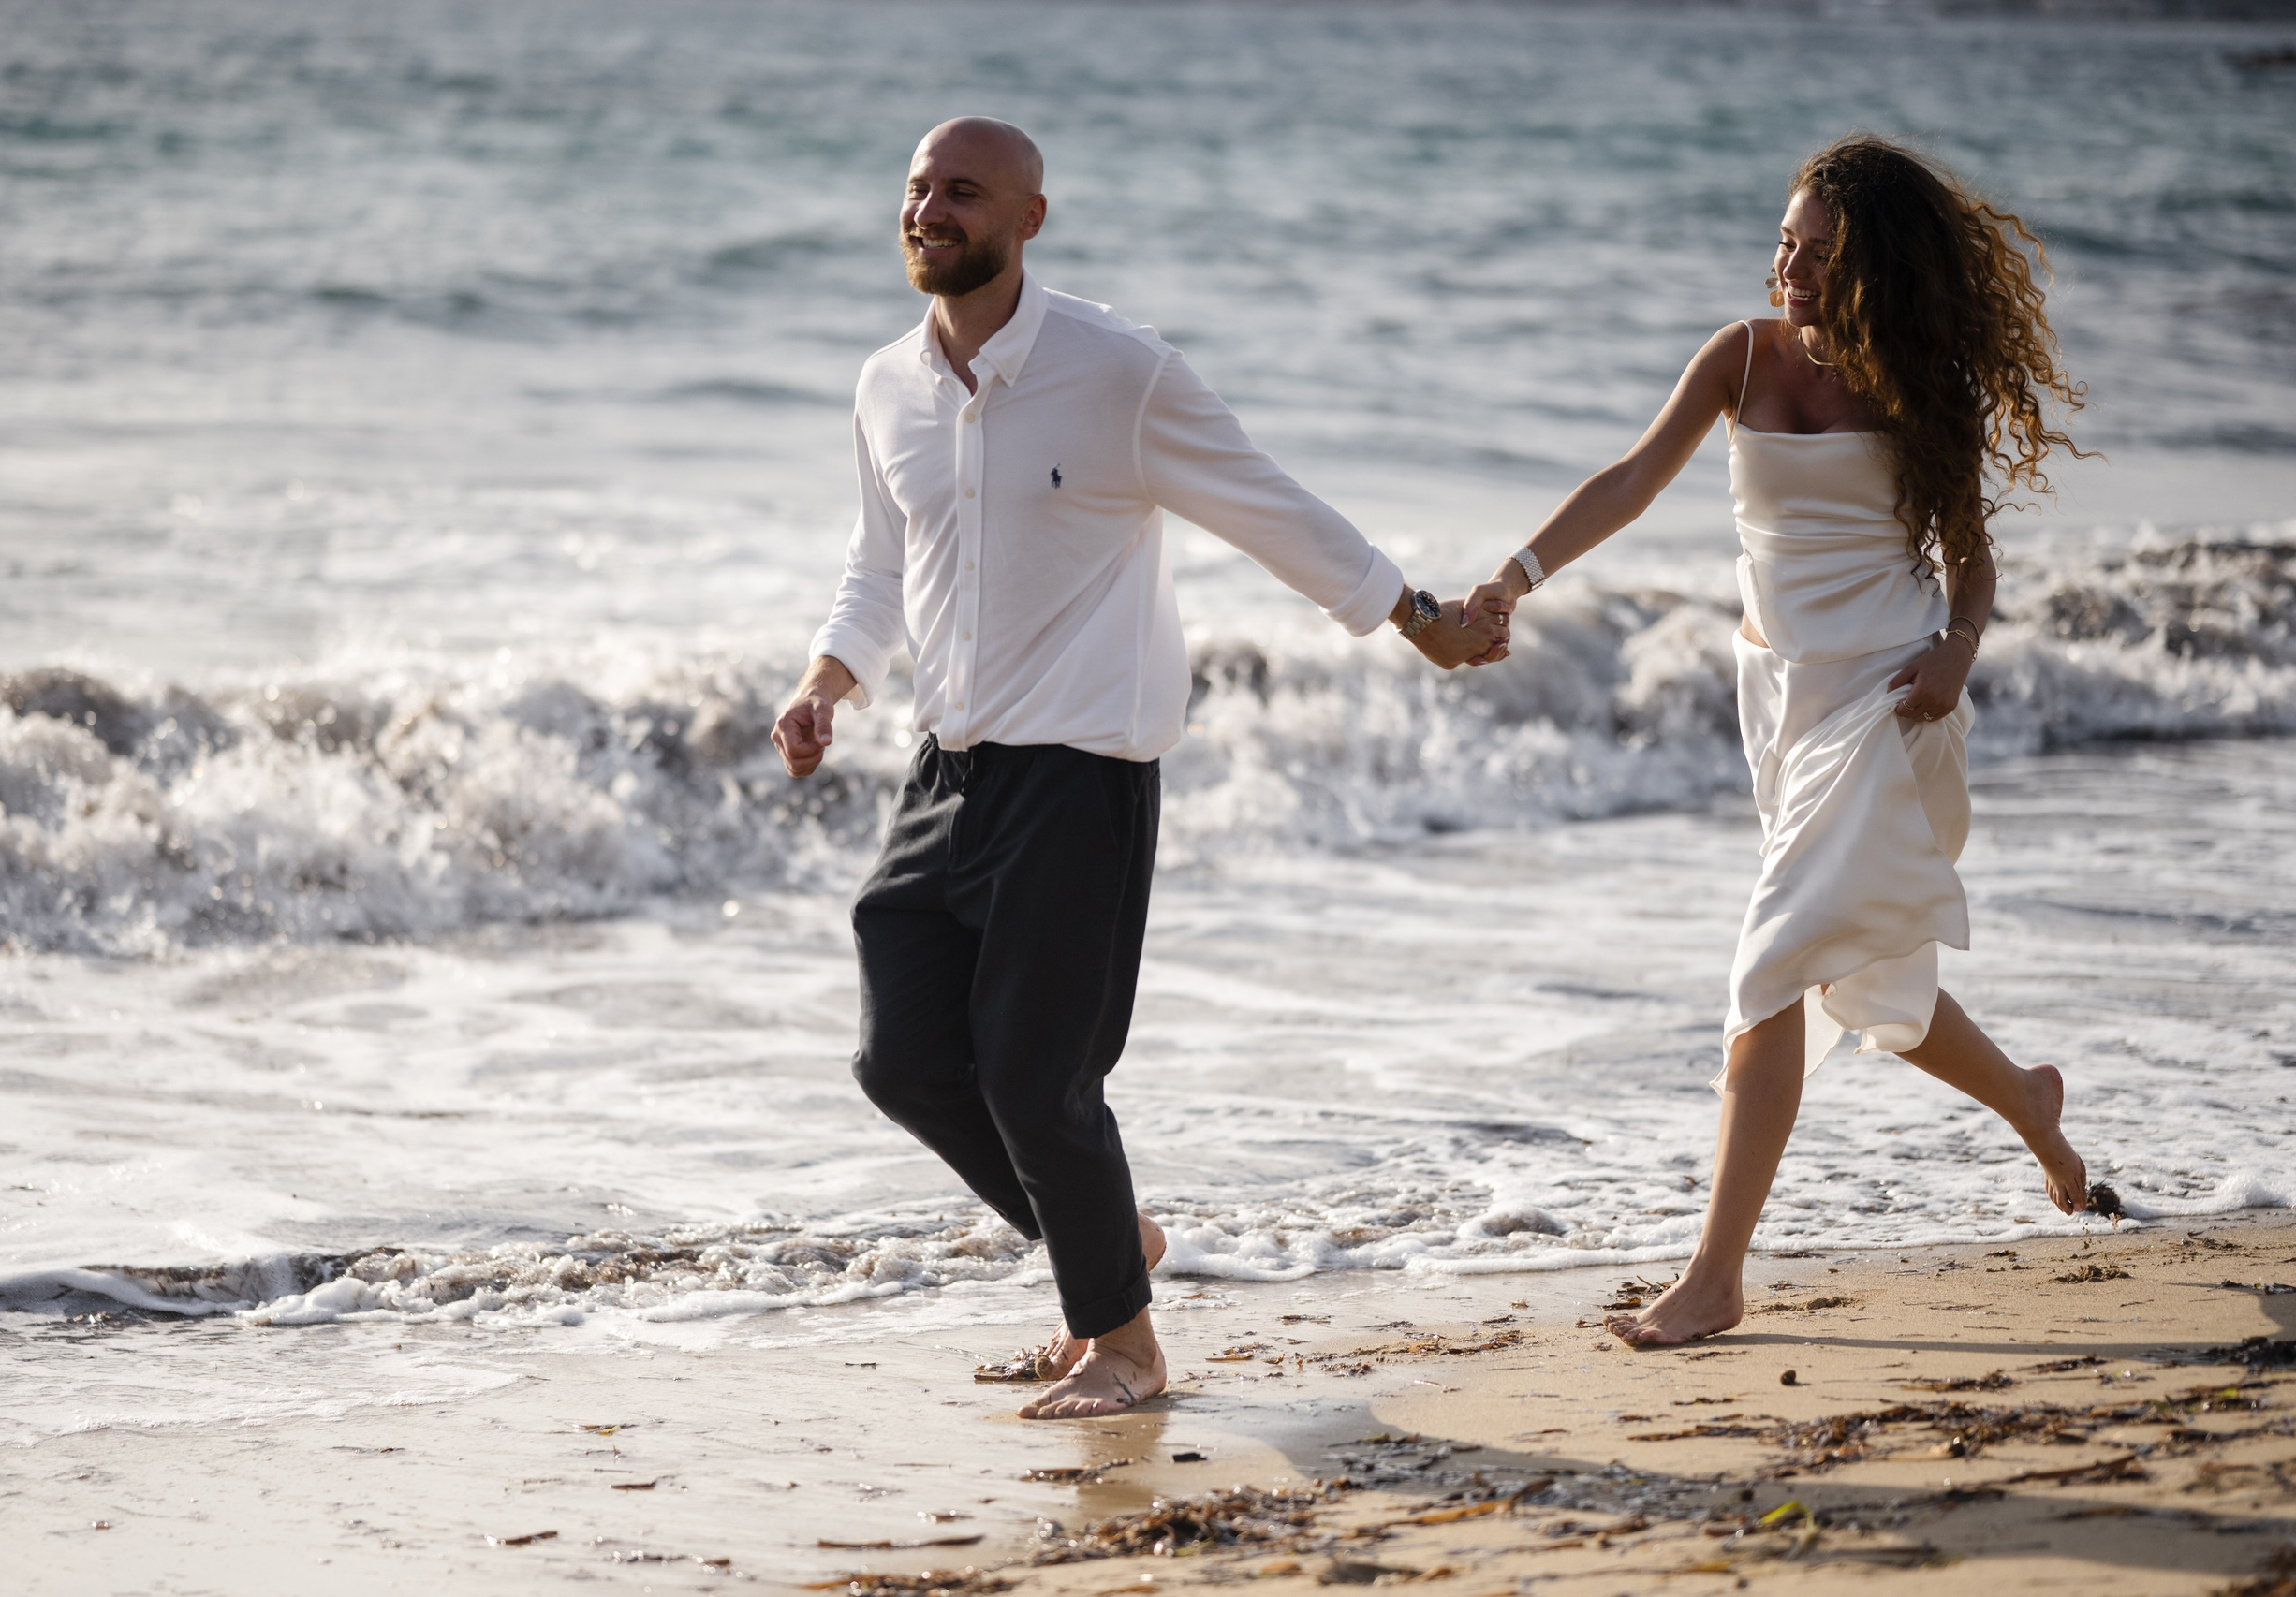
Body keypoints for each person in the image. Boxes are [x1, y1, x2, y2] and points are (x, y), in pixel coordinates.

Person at [773, 117, 1504, 1416]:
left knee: (1037, 1078)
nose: (930, 208)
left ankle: (1123, 1344)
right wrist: (831, 677)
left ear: (1028, 220)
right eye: (917, 188)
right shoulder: (886, 383)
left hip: (1083, 776)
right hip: (946, 773)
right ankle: (1107, 1249)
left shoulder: (1122, 373)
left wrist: (1418, 617)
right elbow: (881, 565)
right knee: (902, 1059)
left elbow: (1268, 500)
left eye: (963, 191)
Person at [1463, 135, 2095, 1347]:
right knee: (1862, 978)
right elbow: (1631, 478)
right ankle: (2031, 1103)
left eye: (1815, 254)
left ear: (1874, 271)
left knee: (1771, 964)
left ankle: (1715, 1274)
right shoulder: (1741, 357)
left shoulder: (1924, 382)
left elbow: (1970, 562)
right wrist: (1515, 576)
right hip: (1783, 699)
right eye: (1784, 243)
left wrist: (1960, 648)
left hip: (1891, 694)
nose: (1786, 267)